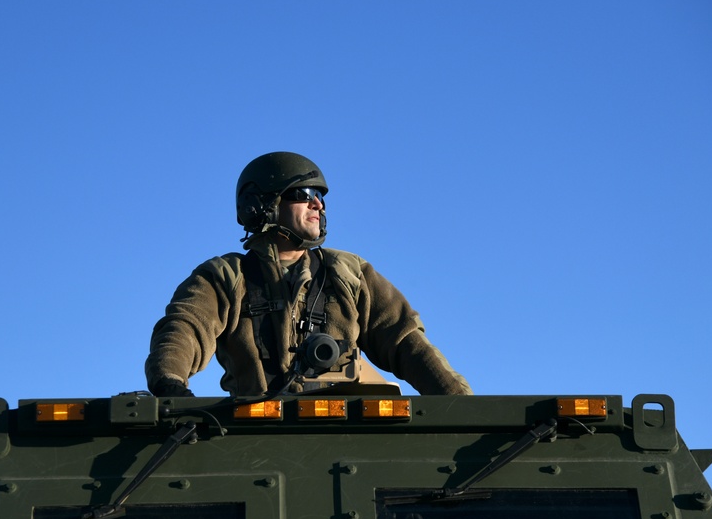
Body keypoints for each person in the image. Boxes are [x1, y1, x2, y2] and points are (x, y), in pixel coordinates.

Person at [145, 152, 472, 397]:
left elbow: (405, 341)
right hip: (254, 435)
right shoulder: (224, 277)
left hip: (348, 436)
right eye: (304, 195)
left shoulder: (348, 271)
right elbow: (185, 327)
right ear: (262, 204)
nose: (318, 205)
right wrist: (169, 383)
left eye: (321, 198)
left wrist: (464, 408)